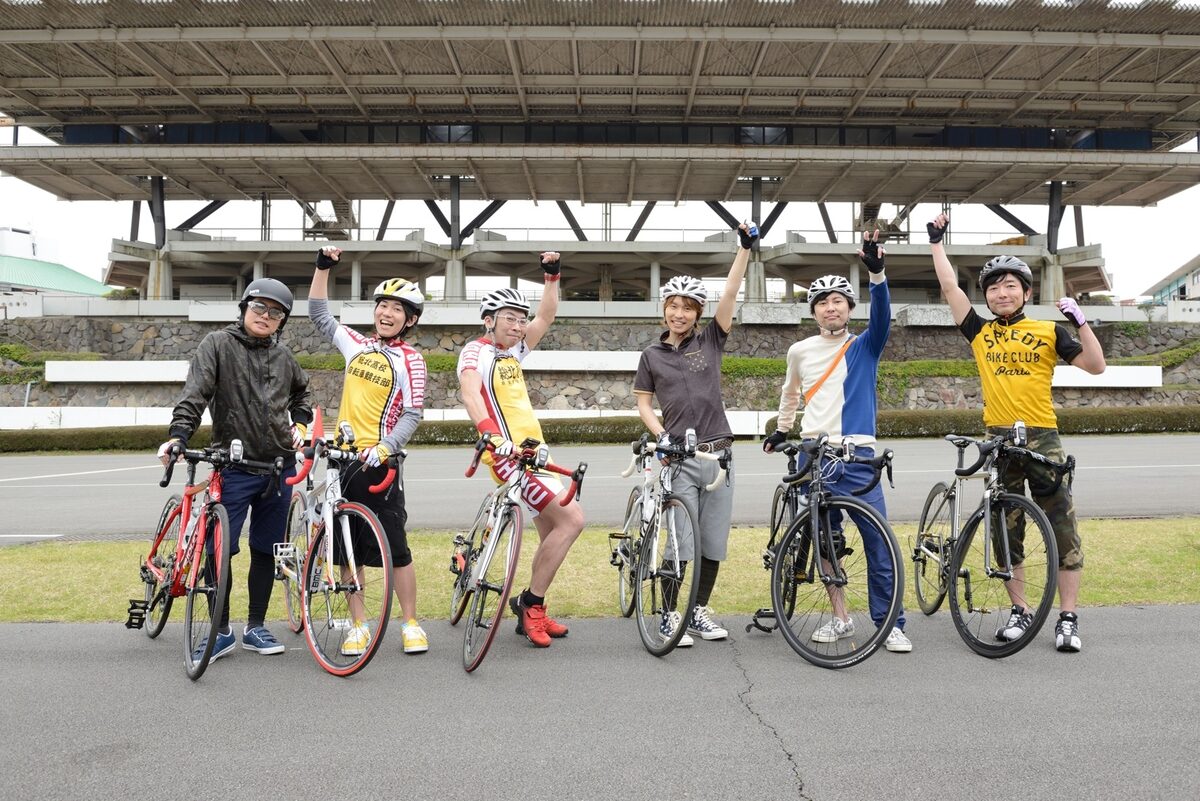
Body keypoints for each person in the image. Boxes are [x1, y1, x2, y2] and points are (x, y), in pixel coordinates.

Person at [927, 213, 1106, 652]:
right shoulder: (980, 333)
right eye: (993, 287)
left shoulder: (1048, 331)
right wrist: (936, 244)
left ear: (1026, 292)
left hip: (1043, 436)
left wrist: (1081, 322)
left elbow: (1096, 365)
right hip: (999, 440)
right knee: (1006, 532)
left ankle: (1067, 618)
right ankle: (1019, 611)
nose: (1001, 293)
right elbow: (951, 288)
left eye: (1010, 286)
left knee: (1063, 528)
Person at [762, 231, 912, 653]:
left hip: (858, 456)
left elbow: (882, 316)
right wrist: (782, 427)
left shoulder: (864, 345)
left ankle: (890, 623)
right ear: (814, 312)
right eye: (822, 302)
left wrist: (877, 273)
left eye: (838, 301)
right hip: (813, 457)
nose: (831, 307)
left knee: (878, 542)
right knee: (825, 542)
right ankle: (841, 617)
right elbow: (791, 393)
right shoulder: (800, 351)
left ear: (848, 308)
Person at [157, 278, 312, 662]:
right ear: (243, 308)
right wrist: (179, 436)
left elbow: (301, 393)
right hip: (233, 464)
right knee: (218, 550)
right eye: (259, 307)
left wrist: (302, 422)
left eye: (276, 312)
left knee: (265, 549)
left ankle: (255, 627)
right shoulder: (218, 345)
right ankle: (220, 629)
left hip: (278, 466)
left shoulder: (284, 357)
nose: (266, 316)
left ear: (282, 321)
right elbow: (195, 394)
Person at [632, 222, 757, 648]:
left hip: (719, 456)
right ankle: (669, 614)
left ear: (698, 314)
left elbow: (730, 293)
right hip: (679, 457)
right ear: (663, 309)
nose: (679, 313)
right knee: (679, 540)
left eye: (687, 307)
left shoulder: (711, 341)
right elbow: (644, 403)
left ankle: (698, 610)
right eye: (673, 305)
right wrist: (661, 433)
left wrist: (743, 249)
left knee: (712, 541)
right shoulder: (651, 355)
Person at [456, 252, 586, 648]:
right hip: (508, 458)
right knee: (572, 521)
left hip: (534, 453)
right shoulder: (475, 352)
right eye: (508, 317)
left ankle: (535, 606)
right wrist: (490, 435)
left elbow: (545, 317)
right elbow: (470, 393)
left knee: (552, 532)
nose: (517, 324)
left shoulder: (514, 352)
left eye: (519, 317)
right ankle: (530, 605)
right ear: (488, 319)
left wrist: (551, 277)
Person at [308, 247, 430, 655]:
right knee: (348, 547)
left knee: (396, 548)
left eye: (397, 308)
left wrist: (386, 447)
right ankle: (358, 625)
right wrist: (324, 268)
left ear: (409, 320)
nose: (387, 312)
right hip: (343, 462)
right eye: (382, 305)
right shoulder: (356, 345)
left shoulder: (410, 360)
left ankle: (411, 623)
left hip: (380, 464)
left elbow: (412, 414)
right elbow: (319, 314)